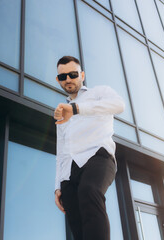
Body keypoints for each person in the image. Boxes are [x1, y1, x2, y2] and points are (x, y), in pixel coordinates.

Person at [53, 56, 125, 240]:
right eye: (63, 77)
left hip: (99, 157)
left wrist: (76, 109)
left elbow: (119, 105)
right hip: (70, 170)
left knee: (89, 190)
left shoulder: (99, 92)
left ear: (82, 75)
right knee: (76, 222)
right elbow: (60, 152)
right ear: (58, 80)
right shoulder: (61, 112)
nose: (68, 79)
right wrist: (57, 187)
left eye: (73, 74)